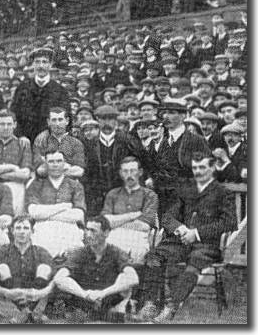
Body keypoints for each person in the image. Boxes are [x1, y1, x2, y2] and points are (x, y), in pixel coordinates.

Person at [137, 154, 237, 323]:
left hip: (206, 244)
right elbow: (167, 217)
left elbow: (229, 222)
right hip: (180, 241)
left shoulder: (223, 192)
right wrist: (180, 228)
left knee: (195, 262)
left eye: (202, 167)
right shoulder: (186, 190)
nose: (198, 172)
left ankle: (171, 306)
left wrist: (196, 233)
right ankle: (151, 302)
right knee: (154, 256)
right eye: (195, 168)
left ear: (212, 168)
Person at [53, 216, 139, 323]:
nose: (88, 235)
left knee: (124, 276)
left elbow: (133, 278)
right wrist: (86, 295)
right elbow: (59, 278)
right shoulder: (80, 253)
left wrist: (102, 293)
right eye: (87, 230)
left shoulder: (116, 252)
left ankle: (115, 314)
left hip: (109, 302)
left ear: (106, 233)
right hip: (83, 303)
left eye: (93, 231)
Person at [145, 102, 210, 220]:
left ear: (183, 116)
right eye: (165, 113)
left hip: (186, 200)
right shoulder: (163, 141)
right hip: (163, 199)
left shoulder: (196, 140)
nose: (166, 116)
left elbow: (205, 171)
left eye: (172, 113)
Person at [0, 215, 55, 324]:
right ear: (12, 231)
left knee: (44, 268)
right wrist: (7, 292)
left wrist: (40, 293)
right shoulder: (1, 251)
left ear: (32, 231)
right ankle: (27, 314)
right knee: (2, 268)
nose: (22, 232)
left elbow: (55, 281)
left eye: (26, 228)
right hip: (8, 302)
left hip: (36, 299)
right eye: (18, 228)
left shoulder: (41, 252)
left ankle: (27, 312)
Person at [25, 150, 86, 257]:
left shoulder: (75, 185)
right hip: (43, 228)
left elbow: (78, 215)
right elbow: (34, 213)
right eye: (51, 161)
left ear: (65, 163)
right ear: (46, 164)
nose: (55, 165)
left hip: (69, 228)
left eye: (59, 161)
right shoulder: (36, 185)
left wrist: (45, 213)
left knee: (75, 254)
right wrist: (64, 207)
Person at [82, 105, 139, 217]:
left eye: (110, 119)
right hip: (96, 194)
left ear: (116, 121)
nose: (107, 122)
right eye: (103, 119)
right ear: (98, 120)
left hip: (122, 191)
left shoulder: (127, 141)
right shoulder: (90, 144)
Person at [101, 157, 159, 264]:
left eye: (133, 171)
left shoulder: (150, 195)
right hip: (114, 236)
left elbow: (144, 226)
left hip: (138, 237)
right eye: (125, 171)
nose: (129, 175)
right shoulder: (113, 194)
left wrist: (116, 221)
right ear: (120, 173)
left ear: (140, 172)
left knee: (135, 257)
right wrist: (132, 216)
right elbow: (105, 222)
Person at [0, 109, 33, 216]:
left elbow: (25, 174)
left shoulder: (22, 145)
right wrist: (13, 168)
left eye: (9, 124)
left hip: (15, 188)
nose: (6, 127)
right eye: (2, 124)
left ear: (15, 125)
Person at [11, 48, 70, 142]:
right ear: (33, 64)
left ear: (50, 64)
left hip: (51, 143)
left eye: (44, 62)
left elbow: (66, 120)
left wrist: (48, 131)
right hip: (24, 143)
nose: (41, 66)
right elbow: (13, 115)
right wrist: (20, 135)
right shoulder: (22, 88)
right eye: (37, 62)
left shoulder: (60, 91)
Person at [32, 107, 86, 179]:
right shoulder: (41, 141)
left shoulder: (76, 143)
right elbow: (39, 170)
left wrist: (50, 166)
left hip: (69, 185)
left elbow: (79, 171)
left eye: (60, 120)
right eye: (54, 120)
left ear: (67, 121)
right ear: (48, 122)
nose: (57, 124)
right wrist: (67, 167)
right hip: (46, 185)